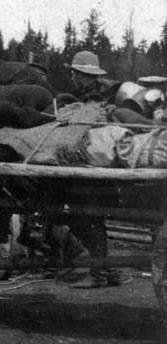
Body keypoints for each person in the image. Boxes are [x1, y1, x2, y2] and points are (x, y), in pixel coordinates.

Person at [49, 50, 127, 287]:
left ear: (82, 75)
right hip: (99, 165)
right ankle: (106, 270)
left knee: (87, 218)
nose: (72, 77)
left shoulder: (92, 99)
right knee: (92, 220)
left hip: (91, 167)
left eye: (74, 73)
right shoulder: (104, 93)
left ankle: (97, 273)